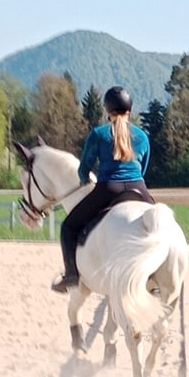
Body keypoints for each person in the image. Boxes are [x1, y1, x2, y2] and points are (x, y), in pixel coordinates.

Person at [51, 86, 155, 293]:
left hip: (108, 188)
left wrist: (83, 179)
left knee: (68, 227)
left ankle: (71, 276)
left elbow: (85, 167)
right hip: (138, 187)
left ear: (107, 110)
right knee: (157, 226)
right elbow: (142, 168)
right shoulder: (142, 136)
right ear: (130, 110)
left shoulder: (98, 134)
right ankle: (154, 279)